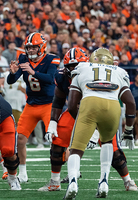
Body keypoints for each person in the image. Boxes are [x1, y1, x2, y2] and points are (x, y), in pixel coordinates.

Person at [64, 48, 136, 199]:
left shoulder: (82, 68)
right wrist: (129, 130)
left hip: (90, 103)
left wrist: (83, 121)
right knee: (108, 142)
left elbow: (71, 105)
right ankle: (103, 182)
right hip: (113, 106)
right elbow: (130, 102)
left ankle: (72, 182)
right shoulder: (118, 71)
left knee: (76, 149)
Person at [7, 32, 60, 183]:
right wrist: (12, 73)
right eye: (28, 48)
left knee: (56, 140)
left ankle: (70, 169)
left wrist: (33, 72)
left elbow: (50, 79)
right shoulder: (23, 58)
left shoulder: (51, 58)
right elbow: (12, 80)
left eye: (33, 48)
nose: (30, 51)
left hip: (49, 104)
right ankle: (23, 173)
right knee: (21, 138)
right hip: (31, 104)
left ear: (42, 47)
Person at [38, 47, 88, 191]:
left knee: (112, 147)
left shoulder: (93, 74)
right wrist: (53, 123)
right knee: (57, 141)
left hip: (95, 112)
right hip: (74, 111)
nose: (74, 69)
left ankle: (127, 179)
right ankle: (55, 182)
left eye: (77, 66)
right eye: (70, 66)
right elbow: (58, 100)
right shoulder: (61, 76)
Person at [130, 73, 138, 145]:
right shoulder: (131, 86)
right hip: (132, 107)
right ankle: (129, 137)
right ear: (135, 78)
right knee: (131, 123)